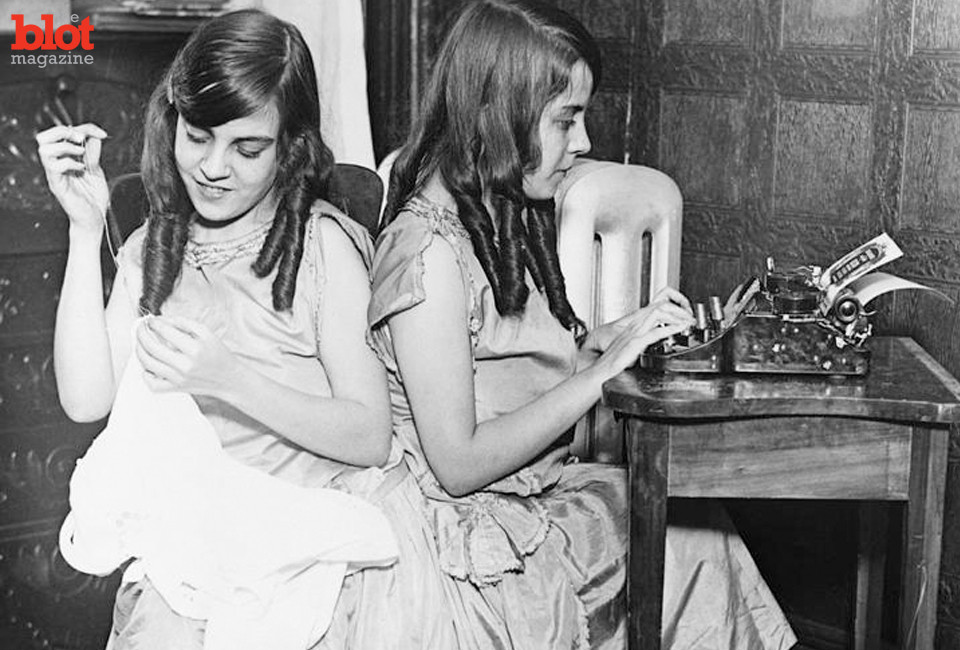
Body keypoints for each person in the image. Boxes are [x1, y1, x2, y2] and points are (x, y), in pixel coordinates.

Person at [369, 1, 799, 648]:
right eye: (566, 119)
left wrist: (610, 339)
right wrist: (600, 375)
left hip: (526, 493)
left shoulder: (491, 213)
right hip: (463, 533)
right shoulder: (427, 254)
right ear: (494, 113)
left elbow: (502, 365)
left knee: (695, 527)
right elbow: (458, 464)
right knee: (683, 539)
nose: (584, 143)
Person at [37, 9, 455, 650]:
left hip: (309, 539)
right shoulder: (156, 249)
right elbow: (85, 399)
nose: (213, 166)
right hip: (200, 544)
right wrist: (83, 229)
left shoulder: (321, 247)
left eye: (247, 148)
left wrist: (229, 379)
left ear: (290, 148)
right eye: (198, 136)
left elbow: (371, 436)